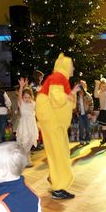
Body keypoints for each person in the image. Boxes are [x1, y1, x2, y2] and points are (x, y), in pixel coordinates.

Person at [36, 53, 82, 200]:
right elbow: (57, 99)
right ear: (65, 66)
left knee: (59, 152)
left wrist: (72, 93)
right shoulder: (57, 78)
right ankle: (58, 188)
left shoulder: (61, 79)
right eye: (71, 66)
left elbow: (67, 103)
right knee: (58, 153)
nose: (73, 68)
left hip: (54, 124)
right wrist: (72, 93)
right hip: (53, 123)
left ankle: (54, 177)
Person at [15, 78, 39, 164]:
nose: (27, 99)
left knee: (30, 142)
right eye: (25, 97)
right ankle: (25, 159)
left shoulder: (33, 103)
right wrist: (21, 87)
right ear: (22, 97)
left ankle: (26, 158)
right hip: (24, 125)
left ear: (31, 97)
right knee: (24, 142)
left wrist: (27, 86)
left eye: (29, 97)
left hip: (32, 125)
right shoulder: (22, 104)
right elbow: (19, 96)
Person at [74, 80, 93, 145]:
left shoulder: (87, 95)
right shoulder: (77, 96)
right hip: (80, 114)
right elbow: (75, 105)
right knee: (81, 128)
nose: (82, 87)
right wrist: (76, 112)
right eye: (80, 86)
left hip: (87, 114)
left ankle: (87, 139)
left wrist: (90, 112)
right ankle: (81, 139)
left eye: (83, 85)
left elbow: (91, 104)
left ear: (85, 87)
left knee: (87, 127)